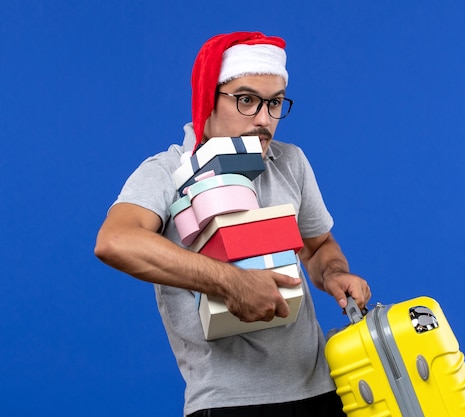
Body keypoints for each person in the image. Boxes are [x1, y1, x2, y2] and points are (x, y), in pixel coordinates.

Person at [94, 31, 370, 417]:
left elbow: (318, 246)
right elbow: (116, 241)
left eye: (274, 103)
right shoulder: (166, 172)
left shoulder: (289, 162)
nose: (264, 119)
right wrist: (230, 281)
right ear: (209, 98)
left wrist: (335, 274)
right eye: (246, 100)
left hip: (322, 390)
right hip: (228, 403)